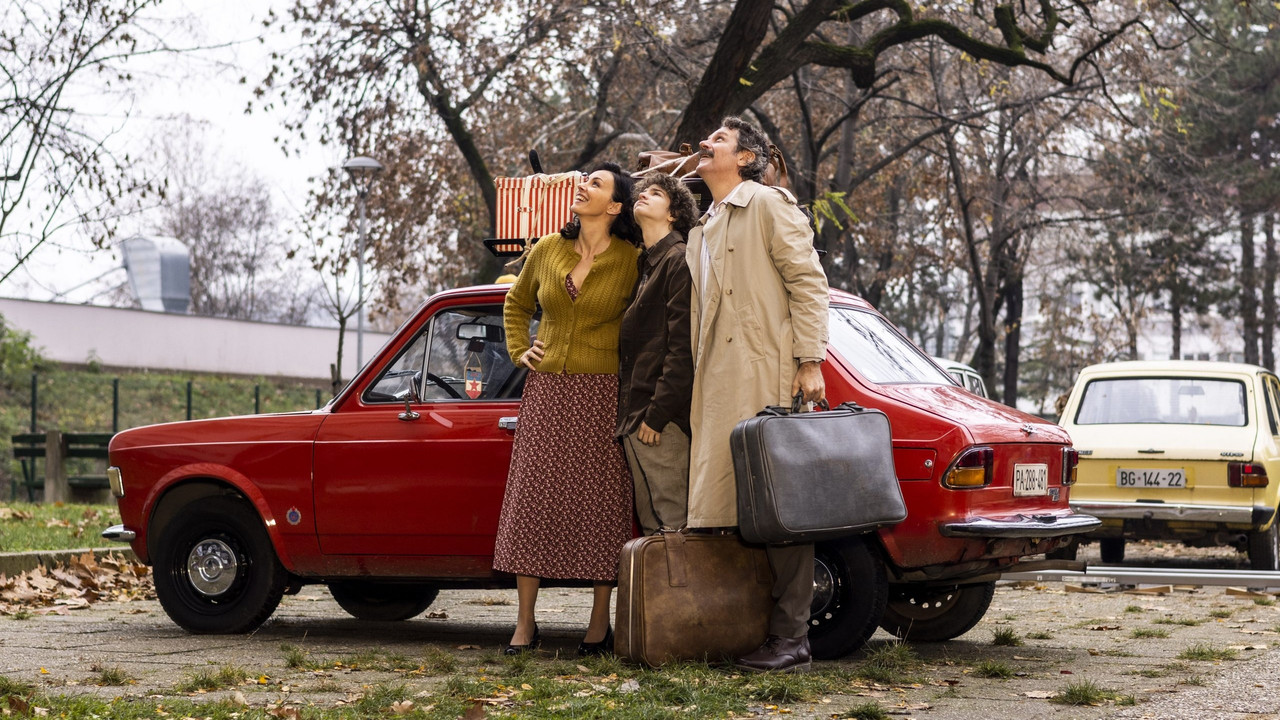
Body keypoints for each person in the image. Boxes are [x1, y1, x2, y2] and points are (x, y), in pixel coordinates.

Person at [686, 117, 830, 673]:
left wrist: (810, 361)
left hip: (765, 380)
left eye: (718, 140)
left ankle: (792, 637)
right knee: (736, 512)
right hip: (718, 384)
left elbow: (808, 281)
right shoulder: (705, 225)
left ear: (746, 158)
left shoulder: (768, 204)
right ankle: (749, 629)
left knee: (779, 508)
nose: (706, 144)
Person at [493, 162, 641, 657]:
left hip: (602, 394)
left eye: (595, 184)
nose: (583, 187)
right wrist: (521, 350)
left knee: (602, 505)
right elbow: (516, 305)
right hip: (547, 392)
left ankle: (599, 625)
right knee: (532, 500)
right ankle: (524, 623)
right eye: (584, 182)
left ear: (616, 206)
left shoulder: (630, 258)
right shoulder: (547, 249)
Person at [616, 174, 700, 535]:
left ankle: (685, 594)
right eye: (642, 191)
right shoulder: (647, 264)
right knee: (653, 528)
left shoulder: (678, 260)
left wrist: (657, 414)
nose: (644, 196)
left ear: (673, 214)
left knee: (675, 528)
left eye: (656, 193)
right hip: (638, 416)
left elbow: (682, 349)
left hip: (660, 420)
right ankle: (662, 595)